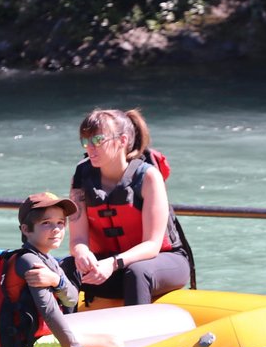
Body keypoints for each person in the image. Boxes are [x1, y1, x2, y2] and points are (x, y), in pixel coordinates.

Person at [66, 108, 191, 305]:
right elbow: (78, 238)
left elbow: (152, 245)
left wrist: (113, 263)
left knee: (137, 272)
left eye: (98, 140)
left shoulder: (148, 177)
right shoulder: (81, 177)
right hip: (108, 267)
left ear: (122, 140)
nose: (90, 147)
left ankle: (140, 333)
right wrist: (82, 253)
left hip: (161, 262)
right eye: (85, 141)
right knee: (65, 268)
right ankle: (59, 334)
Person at [0, 193, 123, 347]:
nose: (56, 229)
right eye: (46, 223)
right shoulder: (29, 262)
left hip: (39, 340)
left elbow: (72, 299)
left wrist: (56, 281)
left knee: (113, 340)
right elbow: (50, 313)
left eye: (60, 222)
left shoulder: (48, 260)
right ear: (26, 229)